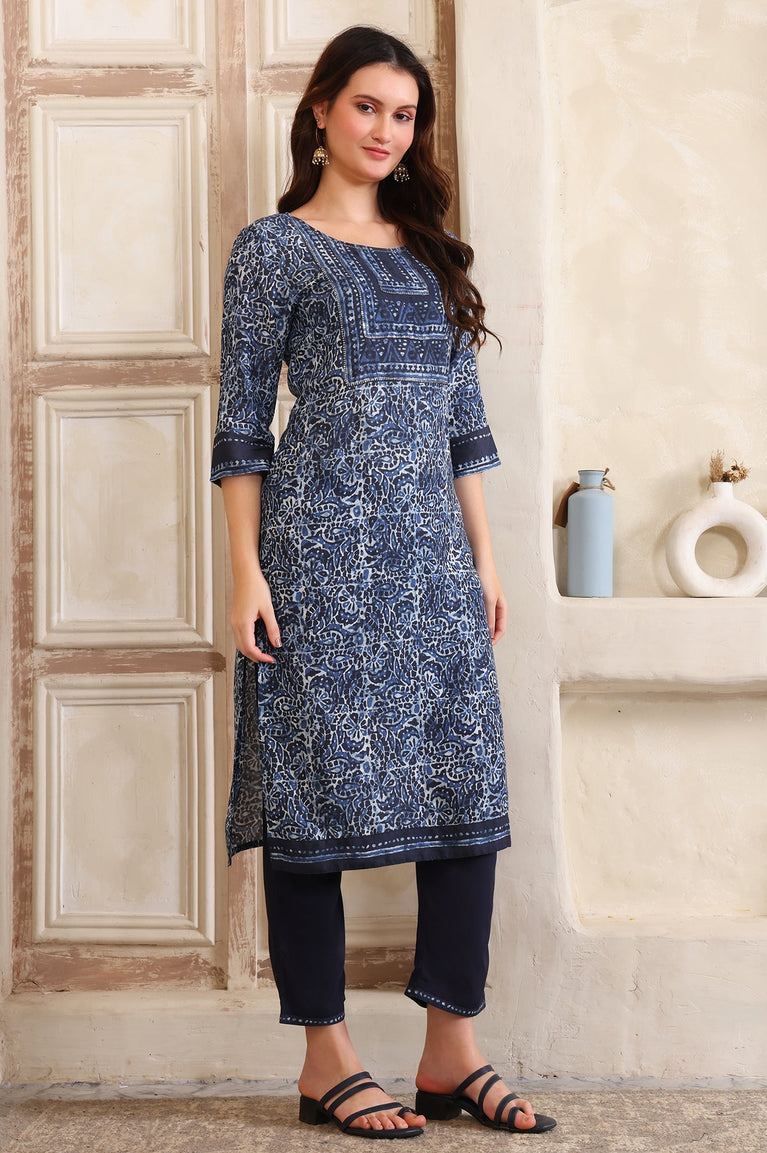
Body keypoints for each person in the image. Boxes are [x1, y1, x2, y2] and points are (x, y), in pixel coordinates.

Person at [210, 24, 556, 1140]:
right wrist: (245, 574)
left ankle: (451, 1051)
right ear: (320, 109)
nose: (385, 130)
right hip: (317, 560)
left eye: (403, 115)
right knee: (309, 795)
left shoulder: (429, 253)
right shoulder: (274, 249)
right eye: (367, 106)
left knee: (464, 795)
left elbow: (462, 426)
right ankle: (326, 1062)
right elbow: (241, 426)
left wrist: (484, 560)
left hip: (433, 564)